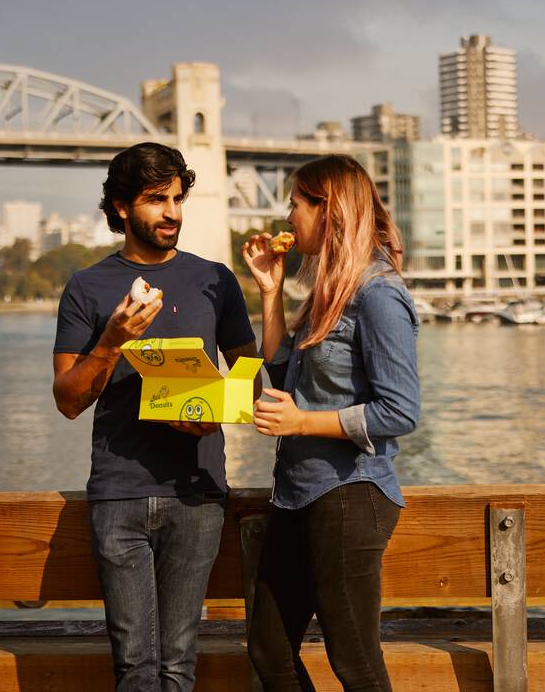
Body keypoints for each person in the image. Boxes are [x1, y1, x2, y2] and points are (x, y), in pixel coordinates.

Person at [52, 142, 259, 692]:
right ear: (121, 207)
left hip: (197, 495)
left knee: (178, 665)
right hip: (118, 494)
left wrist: (215, 414)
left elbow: (251, 382)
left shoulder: (216, 280)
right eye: (155, 199)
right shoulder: (87, 287)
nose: (171, 213)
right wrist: (112, 340)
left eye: (177, 199)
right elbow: (68, 400)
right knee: (135, 668)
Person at [241, 154, 420, 691]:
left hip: (350, 494)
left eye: (296, 204)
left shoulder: (378, 294)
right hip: (296, 494)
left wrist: (301, 423)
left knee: (355, 661)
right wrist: (270, 291)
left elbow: (400, 410)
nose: (288, 217)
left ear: (329, 210)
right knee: (269, 651)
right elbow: (280, 375)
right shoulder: (328, 293)